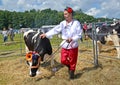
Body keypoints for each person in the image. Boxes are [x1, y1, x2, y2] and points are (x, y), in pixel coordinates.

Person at [40, 7, 83, 79]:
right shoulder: (62, 23)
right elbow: (55, 30)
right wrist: (46, 34)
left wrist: (72, 38)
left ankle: (72, 73)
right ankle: (70, 67)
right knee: (63, 60)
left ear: (70, 14)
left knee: (73, 60)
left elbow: (79, 34)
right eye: (64, 14)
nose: (64, 15)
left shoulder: (76, 23)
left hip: (73, 45)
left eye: (66, 14)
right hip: (65, 44)